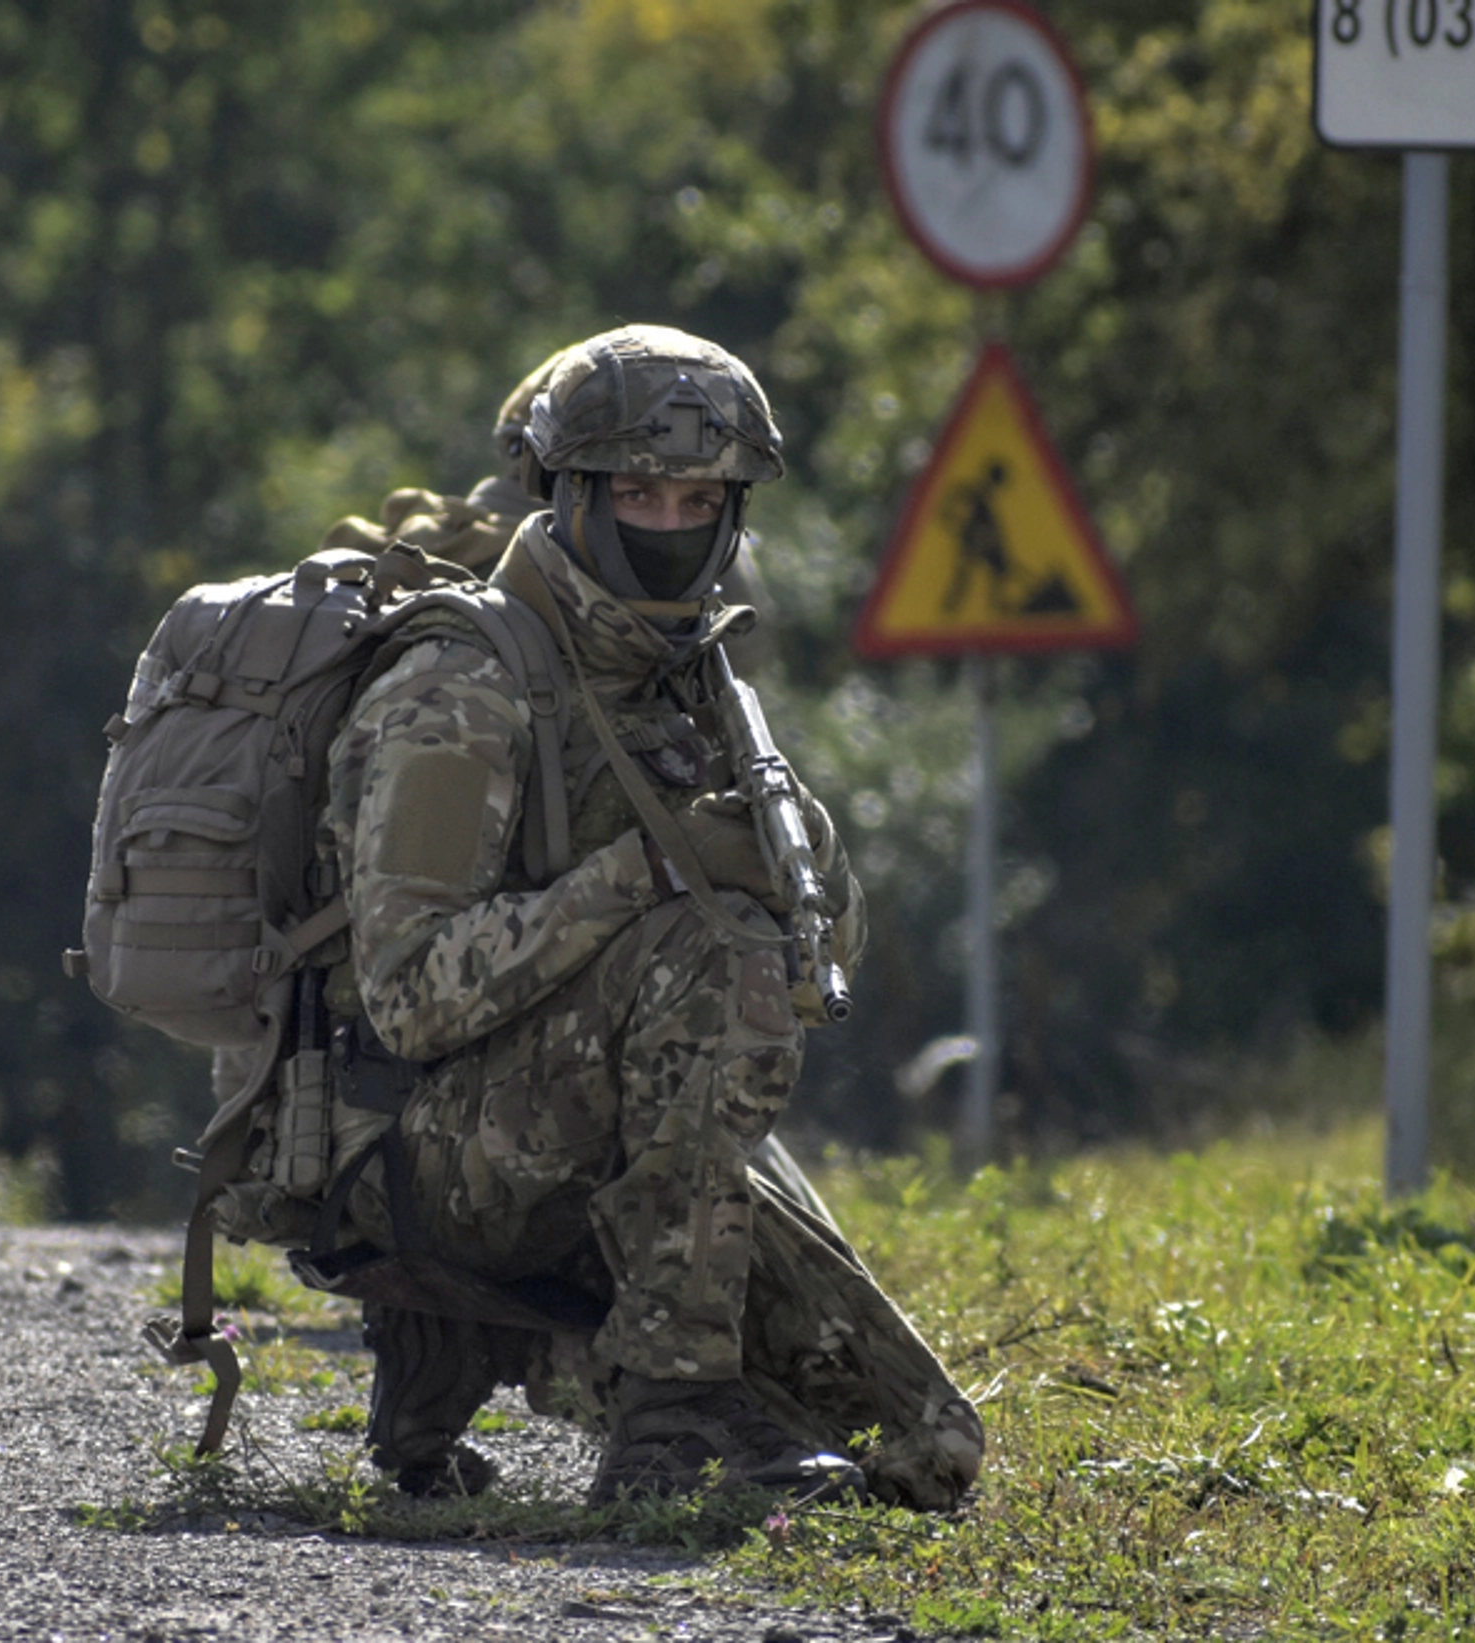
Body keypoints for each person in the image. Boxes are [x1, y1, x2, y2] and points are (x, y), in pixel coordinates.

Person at [313, 324, 982, 1507]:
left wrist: (797, 854)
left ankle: (564, 1362)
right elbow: (410, 993)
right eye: (634, 492)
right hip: (414, 1153)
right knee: (709, 952)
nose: (666, 525)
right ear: (568, 494)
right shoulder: (462, 682)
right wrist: (652, 872)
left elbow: (824, 951)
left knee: (925, 1446)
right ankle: (667, 1424)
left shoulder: (690, 672)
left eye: (696, 498)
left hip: (574, 1128)